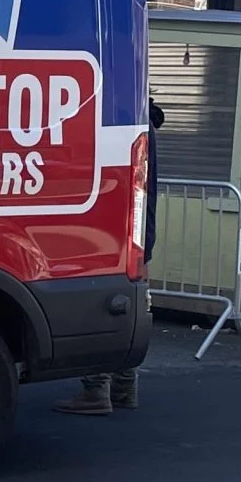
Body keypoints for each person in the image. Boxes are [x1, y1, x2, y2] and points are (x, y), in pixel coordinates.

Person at [59, 96, 166, 414]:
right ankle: (124, 385)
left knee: (98, 306)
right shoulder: (142, 121)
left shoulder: (114, 119)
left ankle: (96, 389)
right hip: (137, 228)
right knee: (127, 304)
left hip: (108, 229)